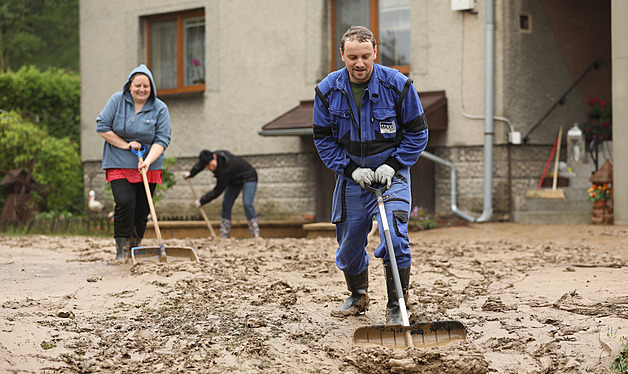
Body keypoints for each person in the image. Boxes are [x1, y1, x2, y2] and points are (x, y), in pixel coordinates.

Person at [312, 26, 428, 324]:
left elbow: (418, 133)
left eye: (365, 56)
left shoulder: (398, 85)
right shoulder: (327, 90)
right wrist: (352, 170)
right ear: (342, 55)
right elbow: (323, 139)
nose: (359, 63)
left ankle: (396, 304)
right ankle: (358, 293)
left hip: (393, 175)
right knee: (349, 245)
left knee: (394, 237)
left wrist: (392, 163)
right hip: (353, 177)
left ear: (375, 52)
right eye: (352, 57)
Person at [96, 64, 172, 262]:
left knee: (142, 209)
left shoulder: (160, 108)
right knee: (124, 202)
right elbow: (102, 127)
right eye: (138, 85)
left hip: (148, 163)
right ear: (130, 86)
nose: (142, 90)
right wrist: (126, 145)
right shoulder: (117, 101)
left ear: (151, 87)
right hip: (118, 160)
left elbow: (162, 139)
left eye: (146, 86)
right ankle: (121, 249)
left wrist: (147, 161)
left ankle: (134, 246)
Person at [183, 150, 260, 238]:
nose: (211, 168)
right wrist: (191, 174)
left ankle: (255, 234)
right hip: (233, 180)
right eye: (208, 167)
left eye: (212, 165)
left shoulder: (226, 169)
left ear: (215, 157)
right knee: (226, 205)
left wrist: (202, 200)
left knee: (247, 204)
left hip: (249, 177)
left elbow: (218, 191)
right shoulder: (210, 157)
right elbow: (200, 165)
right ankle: (224, 235)